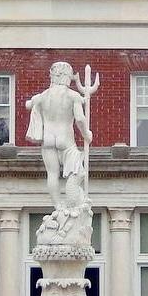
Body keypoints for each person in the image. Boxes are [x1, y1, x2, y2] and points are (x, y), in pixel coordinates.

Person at [25, 61, 90, 213]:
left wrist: (34, 100)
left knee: (52, 174)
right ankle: (73, 201)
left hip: (47, 140)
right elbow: (80, 119)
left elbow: (28, 105)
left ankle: (58, 206)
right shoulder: (72, 95)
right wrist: (87, 134)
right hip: (65, 139)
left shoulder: (42, 96)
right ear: (67, 76)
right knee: (75, 172)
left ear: (52, 76)